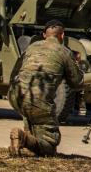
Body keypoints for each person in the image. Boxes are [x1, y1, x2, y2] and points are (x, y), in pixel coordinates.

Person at [8, 20, 84, 156]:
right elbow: (77, 83)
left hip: (15, 95)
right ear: (62, 35)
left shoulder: (31, 47)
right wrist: (77, 64)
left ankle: (26, 142)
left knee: (31, 114)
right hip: (38, 100)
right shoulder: (64, 52)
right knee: (50, 145)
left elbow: (15, 72)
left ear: (44, 35)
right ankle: (23, 138)